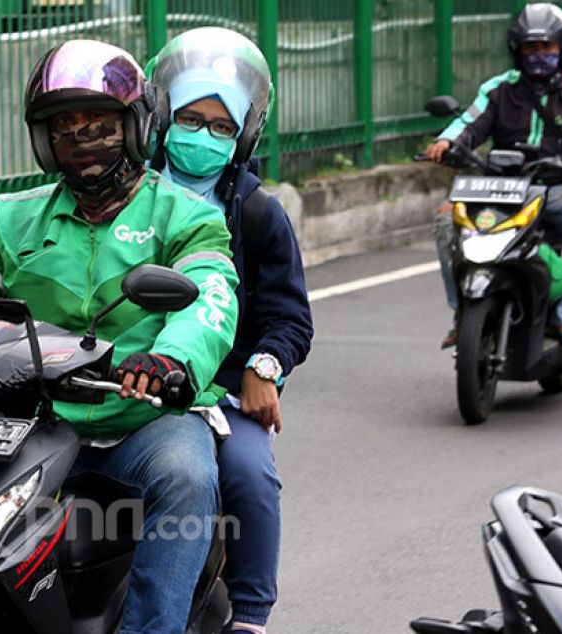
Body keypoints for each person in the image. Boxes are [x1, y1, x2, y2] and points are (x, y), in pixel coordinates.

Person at [0, 40, 240, 634]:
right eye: (65, 128)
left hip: (138, 418)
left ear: (134, 129)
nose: (82, 140)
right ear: (44, 140)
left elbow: (211, 298)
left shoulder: (187, 217)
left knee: (187, 476)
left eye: (99, 125)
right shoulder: (11, 217)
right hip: (32, 419)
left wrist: (170, 359)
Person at [149, 28, 314, 634]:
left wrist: (262, 368)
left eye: (222, 126)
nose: (202, 136)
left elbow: (289, 316)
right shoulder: (120, 197)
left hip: (217, 393)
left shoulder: (255, 212)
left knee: (249, 474)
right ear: (160, 116)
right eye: (190, 119)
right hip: (112, 382)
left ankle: (249, 616)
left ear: (244, 134)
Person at [424, 3, 562, 355]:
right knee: (444, 218)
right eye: (531, 48)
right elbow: (469, 123)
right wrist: (446, 142)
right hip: (501, 189)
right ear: (517, 50)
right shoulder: (498, 89)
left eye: (547, 47)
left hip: (559, 190)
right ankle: (462, 311)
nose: (539, 55)